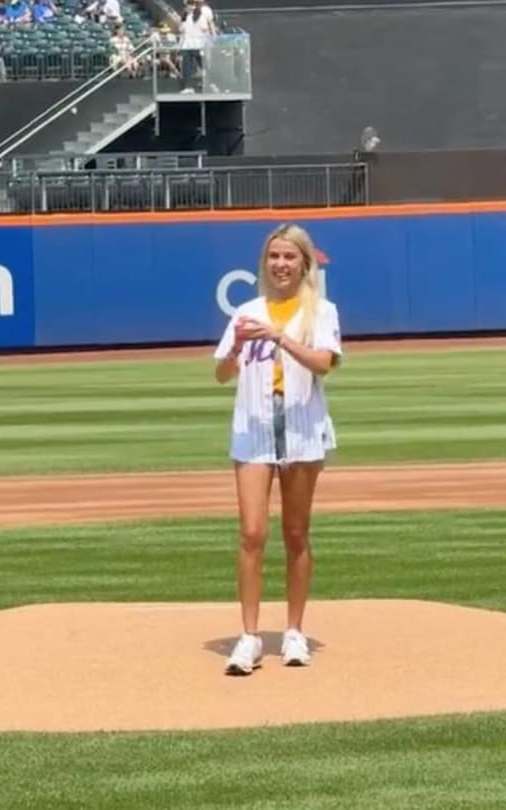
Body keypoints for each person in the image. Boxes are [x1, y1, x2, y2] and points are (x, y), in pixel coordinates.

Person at [212, 223, 344, 676]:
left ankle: (293, 630)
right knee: (252, 533)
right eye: (274, 257)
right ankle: (248, 636)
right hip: (254, 430)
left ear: (304, 264)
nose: (281, 265)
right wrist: (238, 348)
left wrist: (280, 337)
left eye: (289, 257)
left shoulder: (320, 312)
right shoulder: (246, 311)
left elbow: (324, 364)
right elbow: (221, 373)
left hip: (303, 430)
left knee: (295, 533)